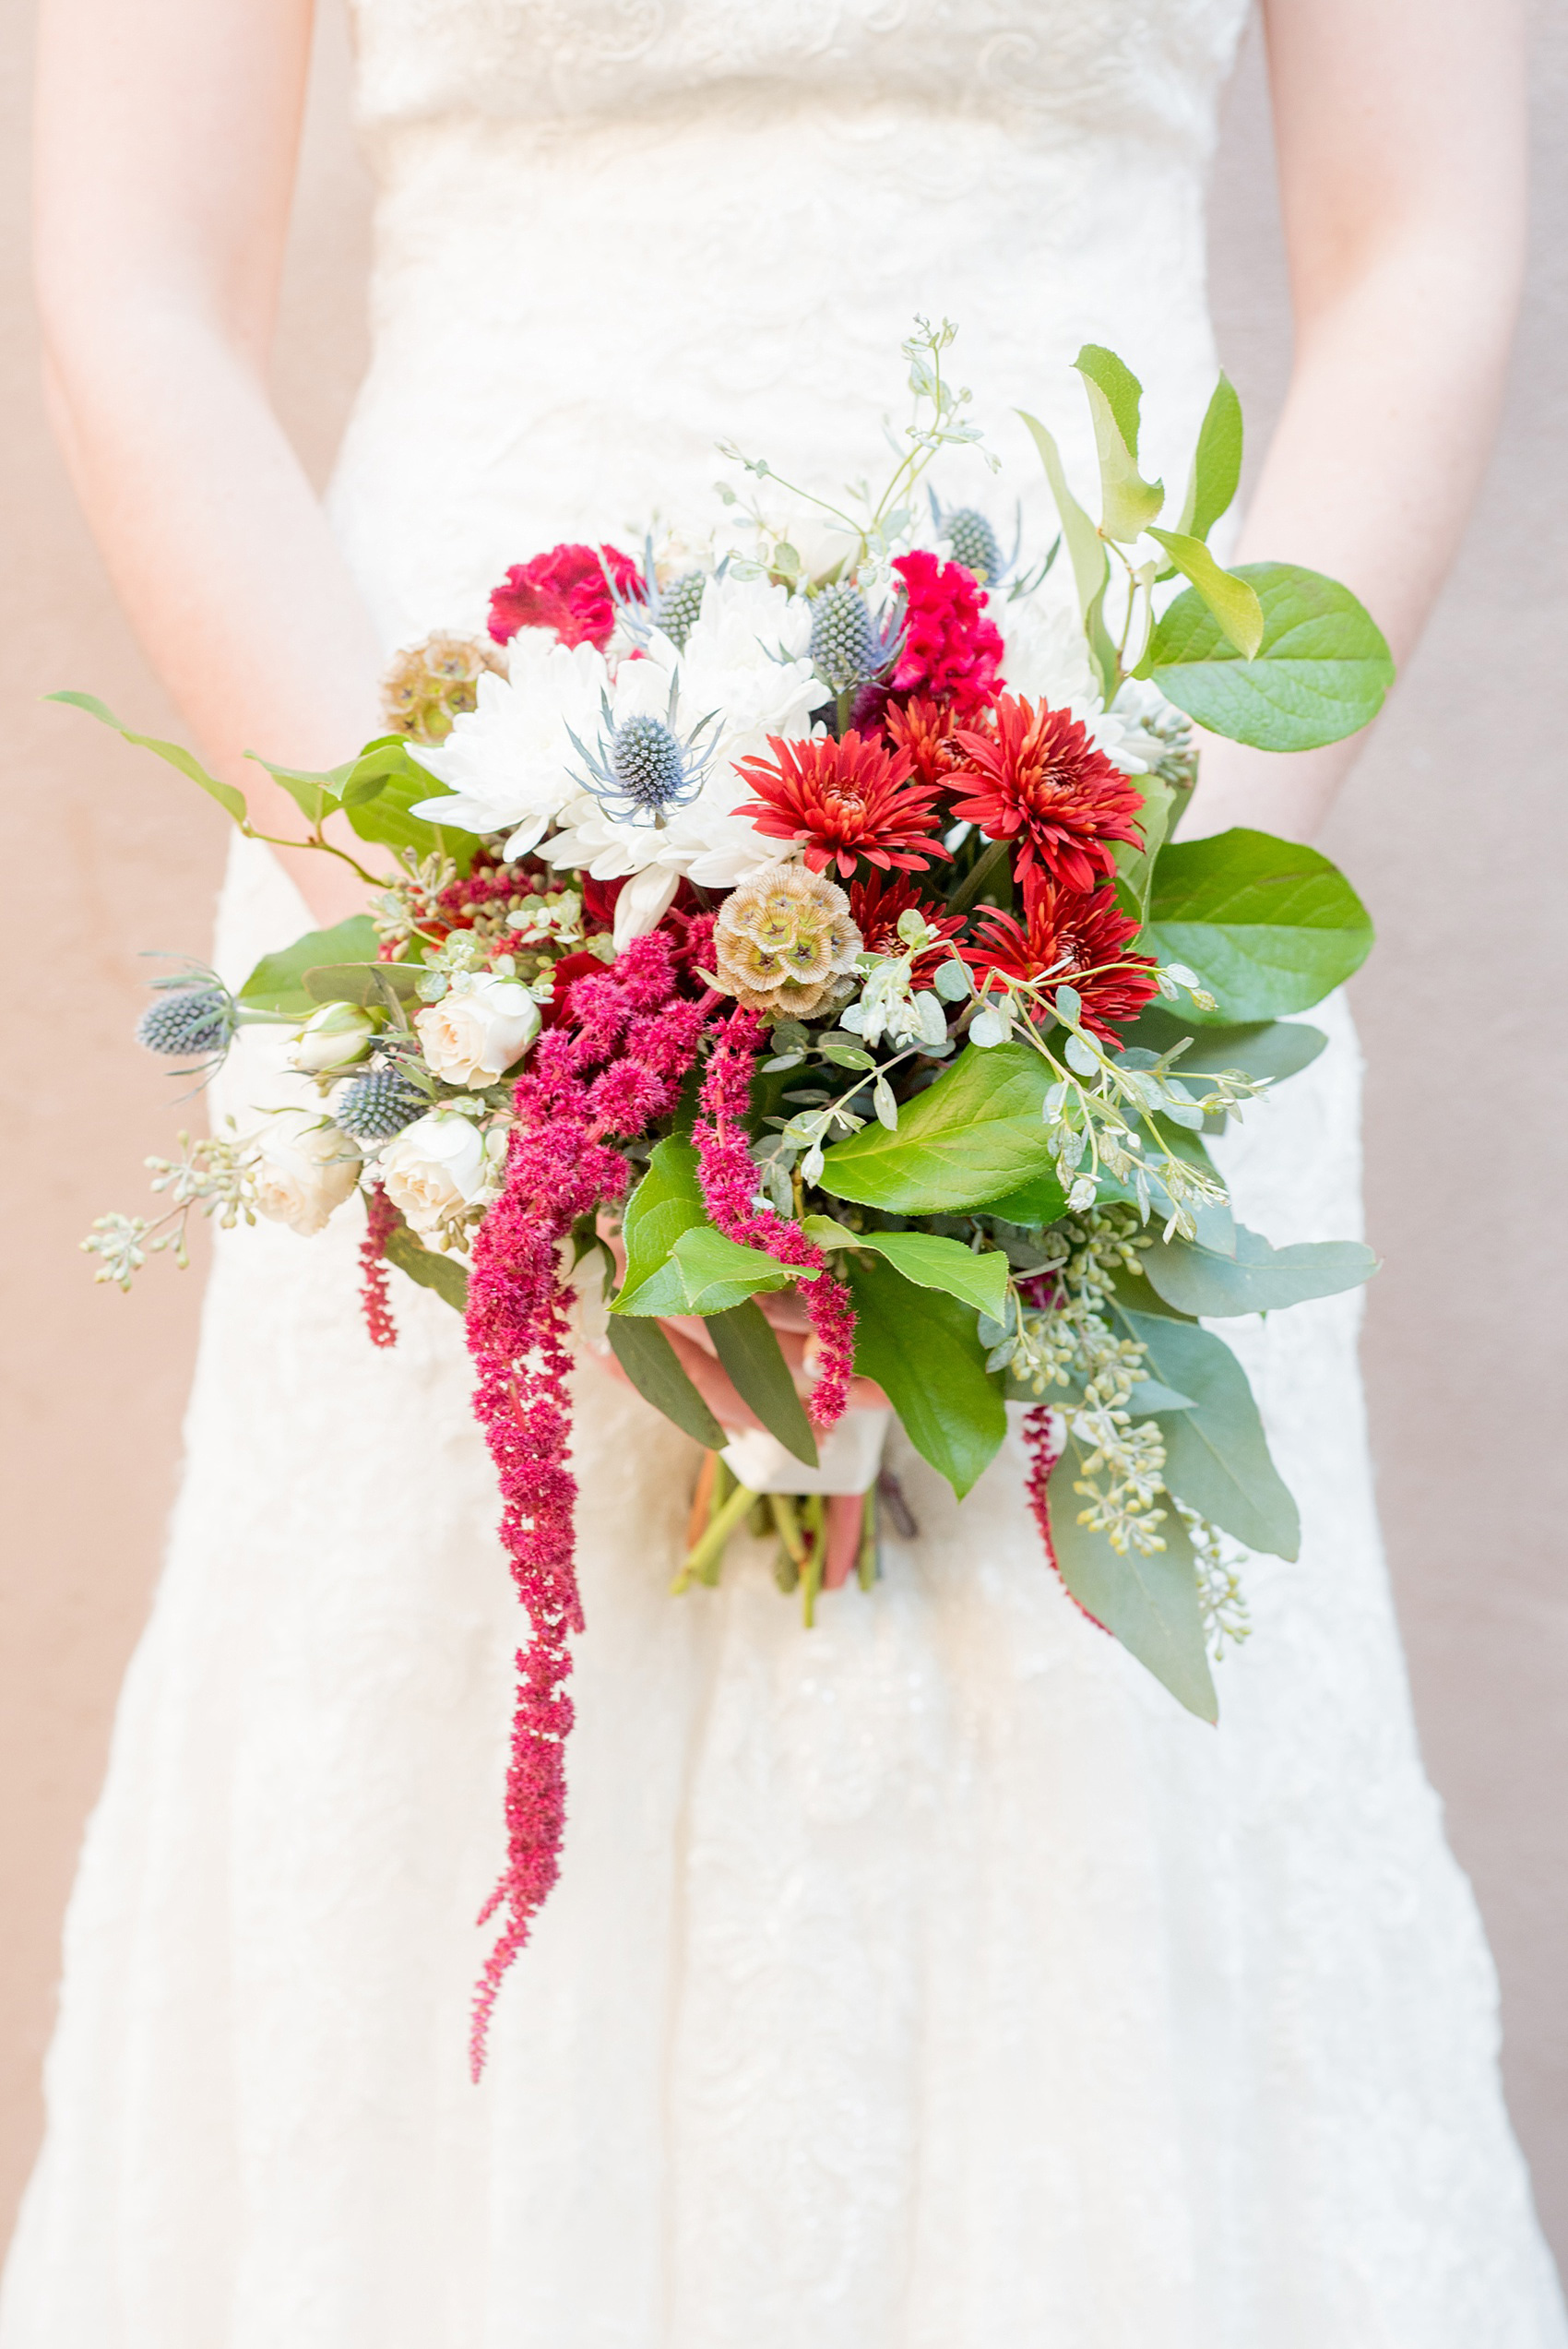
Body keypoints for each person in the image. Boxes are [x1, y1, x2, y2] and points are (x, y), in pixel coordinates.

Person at [6, 1, 1562, 2342]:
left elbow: (1422, 237)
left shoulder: (1116, 943)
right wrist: (494, 1005)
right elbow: (131, 270)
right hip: (438, 843)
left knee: (1083, 1815)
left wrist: (1100, 977)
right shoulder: (457, 947)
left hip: (1105, 868)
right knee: (447, 1813)